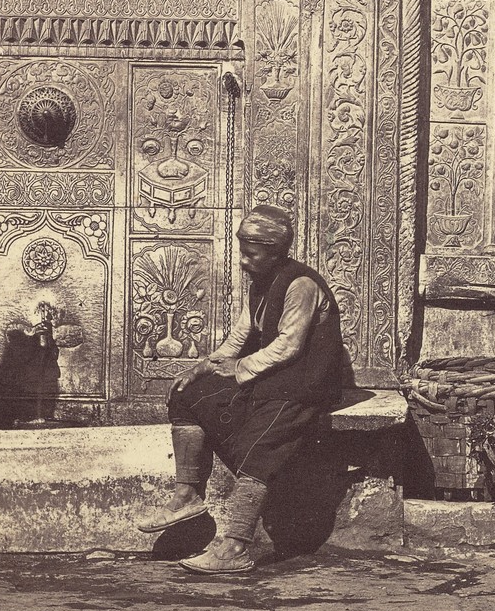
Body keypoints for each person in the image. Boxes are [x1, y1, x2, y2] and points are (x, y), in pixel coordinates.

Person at [138, 205, 349, 574]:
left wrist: (239, 369)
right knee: (187, 395)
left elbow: (288, 346)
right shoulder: (262, 283)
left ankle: (235, 547)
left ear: (274, 252)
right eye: (243, 252)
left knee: (259, 445)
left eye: (251, 255)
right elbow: (240, 335)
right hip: (274, 379)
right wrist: (205, 366)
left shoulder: (301, 285)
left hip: (304, 387)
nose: (243, 261)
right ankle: (187, 496)